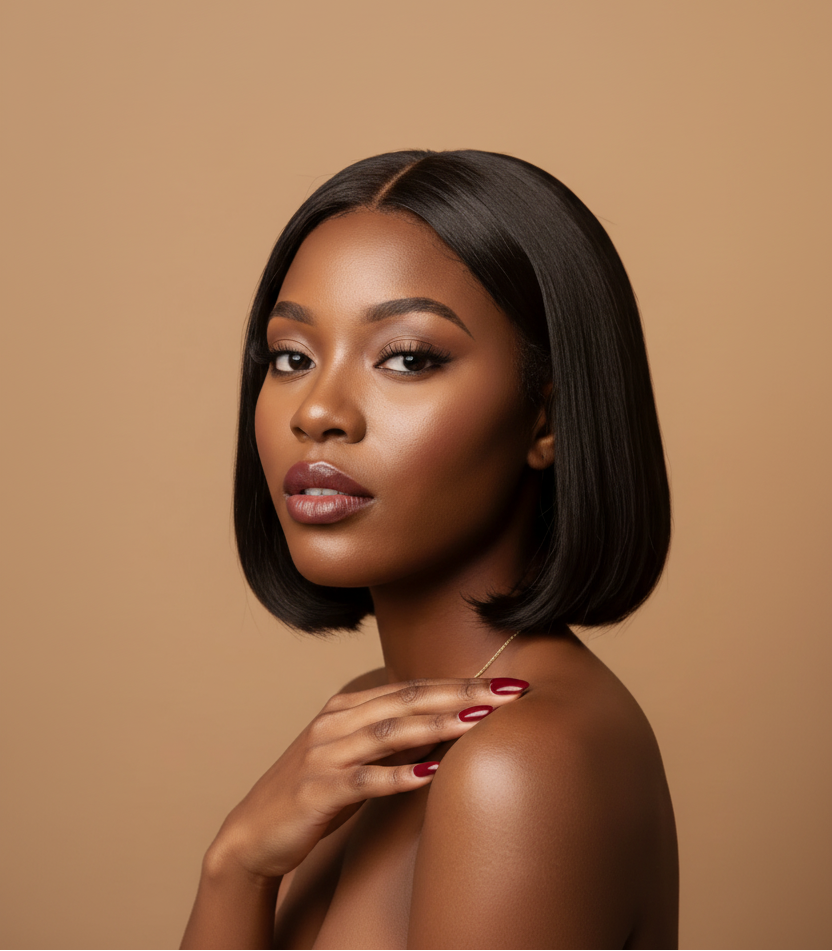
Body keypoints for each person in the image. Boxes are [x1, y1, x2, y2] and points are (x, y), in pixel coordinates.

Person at [180, 149, 678, 950]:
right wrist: (237, 864)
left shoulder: (517, 764)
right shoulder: (378, 716)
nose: (318, 412)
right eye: (292, 357)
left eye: (408, 358)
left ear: (545, 420)